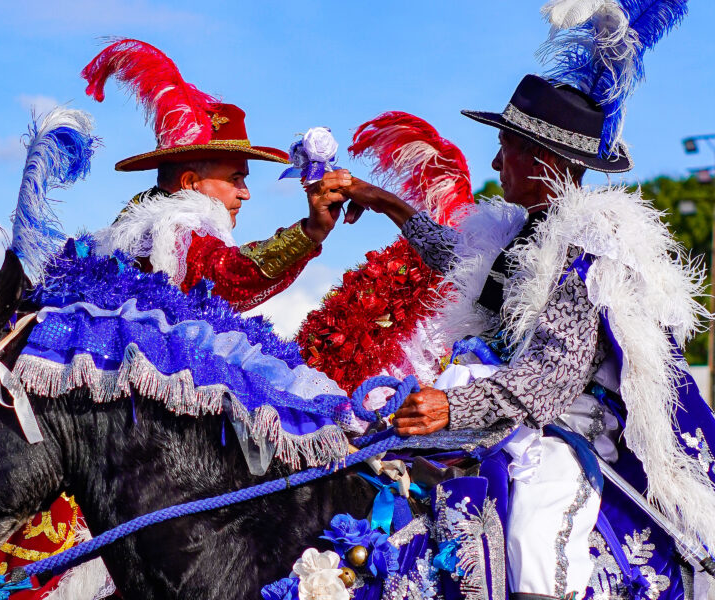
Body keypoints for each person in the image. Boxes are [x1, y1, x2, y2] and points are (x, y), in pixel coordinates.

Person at [341, 74, 715, 599]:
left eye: (504, 149)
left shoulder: (592, 251)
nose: (495, 165)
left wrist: (451, 408)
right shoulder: (528, 231)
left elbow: (549, 380)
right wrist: (387, 204)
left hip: (570, 430)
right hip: (501, 409)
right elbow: (463, 263)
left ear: (542, 161)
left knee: (534, 535)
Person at [93, 101, 353, 312]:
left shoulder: (140, 222)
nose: (246, 194)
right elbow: (227, 275)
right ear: (191, 183)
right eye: (235, 179)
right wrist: (310, 232)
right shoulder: (174, 228)